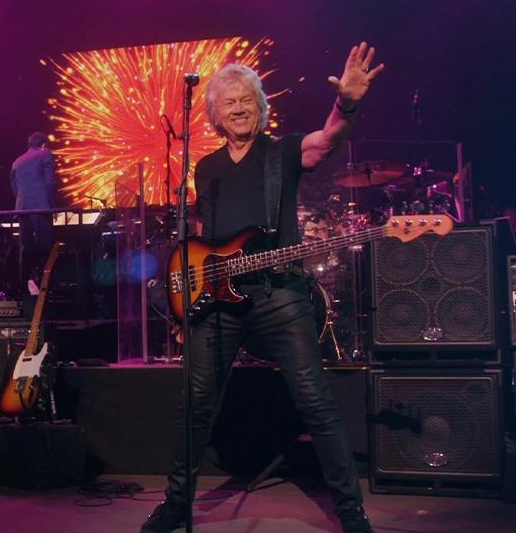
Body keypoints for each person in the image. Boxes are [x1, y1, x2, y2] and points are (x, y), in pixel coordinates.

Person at [141, 42, 385, 533]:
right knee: (195, 404)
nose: (238, 108)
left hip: (279, 295)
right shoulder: (205, 167)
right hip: (219, 301)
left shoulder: (283, 151)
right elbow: (203, 240)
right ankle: (174, 505)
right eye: (228, 102)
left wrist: (348, 103)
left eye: (246, 100)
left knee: (315, 401)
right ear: (213, 113)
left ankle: (351, 513)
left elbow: (328, 140)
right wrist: (188, 294)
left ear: (260, 107)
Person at [10, 131, 56, 285]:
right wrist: (50, 206)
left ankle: (24, 286)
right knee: (45, 247)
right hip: (41, 207)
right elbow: (50, 183)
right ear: (43, 144)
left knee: (26, 249)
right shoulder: (45, 155)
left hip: (22, 208)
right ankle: (46, 285)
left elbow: (15, 189)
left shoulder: (17, 161)